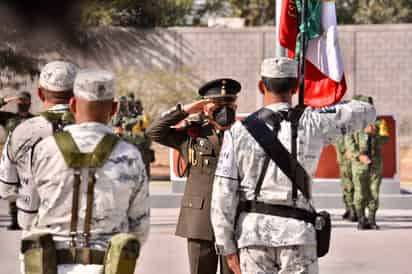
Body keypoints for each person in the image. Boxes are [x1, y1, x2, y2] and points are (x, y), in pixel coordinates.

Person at [210, 57, 376, 274]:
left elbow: (223, 193)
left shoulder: (238, 133)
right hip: (298, 235)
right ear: (296, 87)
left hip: (253, 236)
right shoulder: (313, 122)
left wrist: (226, 247)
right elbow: (367, 110)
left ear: (261, 86)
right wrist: (319, 104)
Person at [24, 69, 149, 274]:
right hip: (107, 266)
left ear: (73, 104)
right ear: (114, 109)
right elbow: (140, 227)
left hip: (49, 265)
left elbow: (27, 217)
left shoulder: (44, 150)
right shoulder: (130, 155)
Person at [147, 78, 241, 274]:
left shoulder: (245, 134)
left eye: (229, 104)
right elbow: (154, 131)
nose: (225, 110)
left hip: (235, 219)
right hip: (200, 220)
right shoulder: (193, 134)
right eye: (218, 105)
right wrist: (188, 109)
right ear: (207, 108)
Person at [0, 61, 78, 231]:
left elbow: (5, 189)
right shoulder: (95, 132)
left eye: (25, 101)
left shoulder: (24, 128)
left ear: (40, 94)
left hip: (38, 230)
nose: (22, 104)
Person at [347, 96, 389, 230]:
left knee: (374, 192)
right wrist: (359, 155)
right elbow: (349, 142)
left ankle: (372, 219)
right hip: (359, 164)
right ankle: (361, 219)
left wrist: (375, 133)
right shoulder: (352, 123)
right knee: (359, 192)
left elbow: (385, 140)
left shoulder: (380, 123)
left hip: (375, 164)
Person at [0, 91, 34, 230]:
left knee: (29, 190)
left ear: (30, 104)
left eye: (25, 101)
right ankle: (15, 219)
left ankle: (27, 218)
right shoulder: (9, 118)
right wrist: (8, 99)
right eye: (20, 101)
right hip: (11, 159)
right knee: (12, 190)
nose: (22, 104)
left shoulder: (36, 120)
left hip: (30, 160)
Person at [334, 134, 357, 222]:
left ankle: (353, 211)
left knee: (350, 187)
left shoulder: (349, 134)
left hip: (348, 163)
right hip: (342, 163)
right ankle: (348, 208)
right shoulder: (337, 133)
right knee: (344, 187)